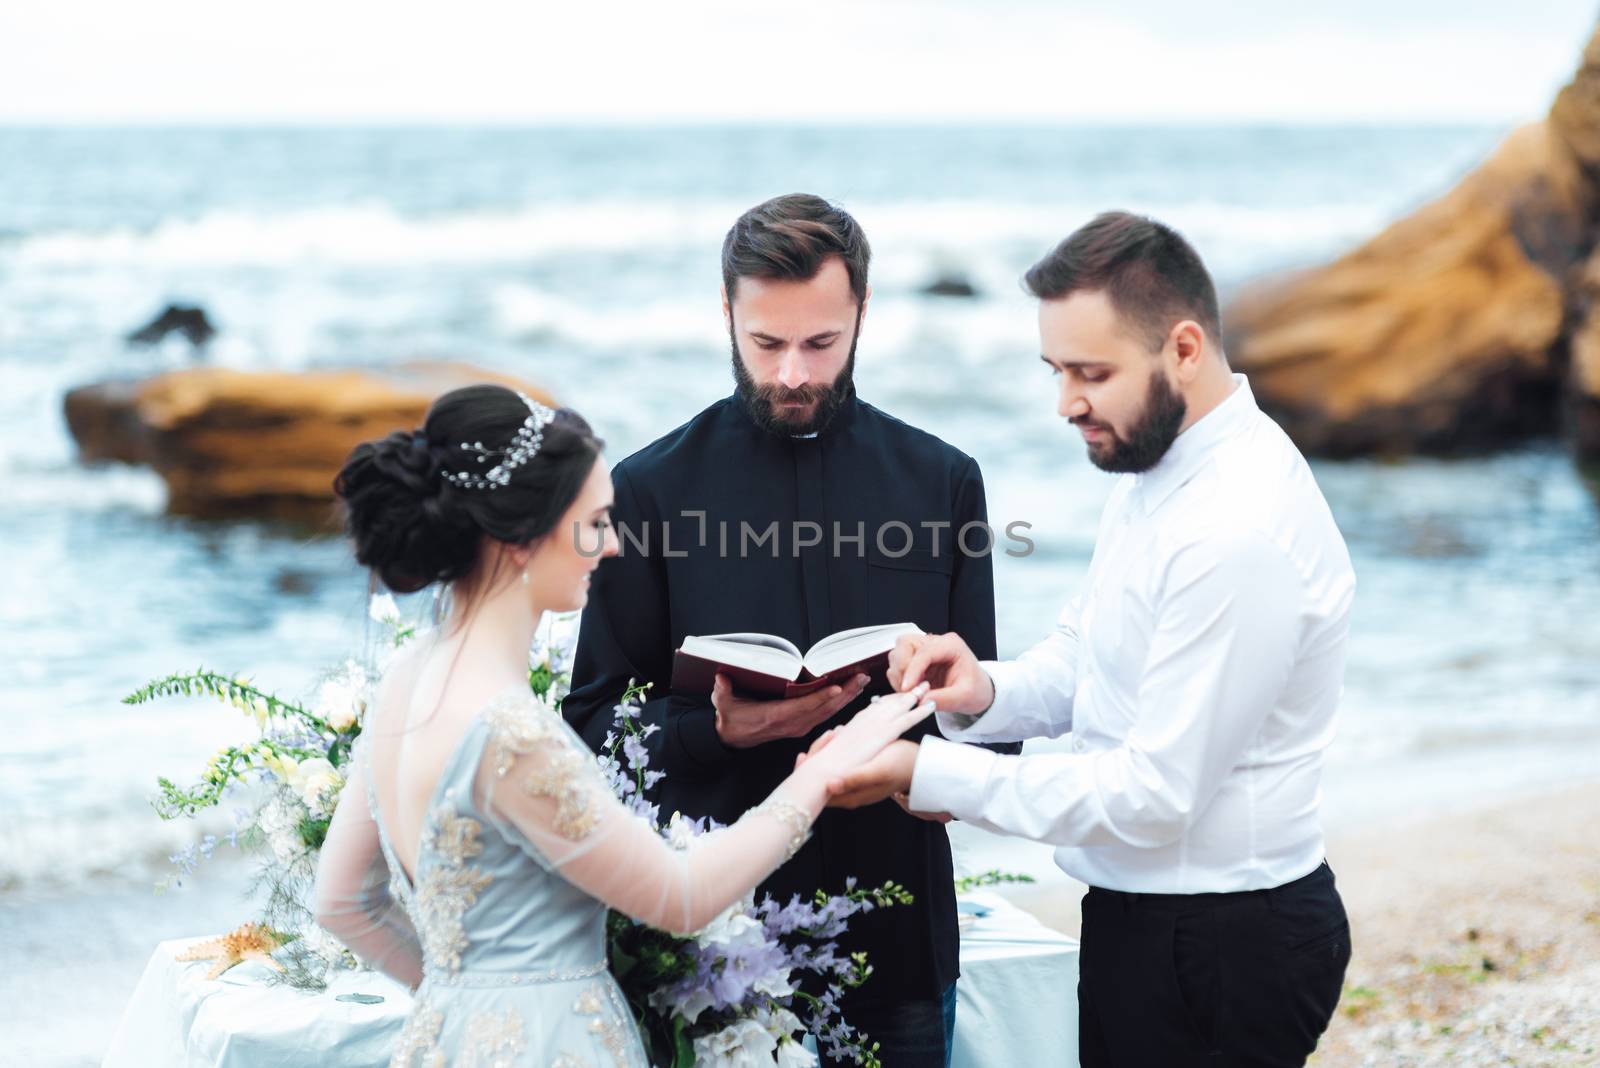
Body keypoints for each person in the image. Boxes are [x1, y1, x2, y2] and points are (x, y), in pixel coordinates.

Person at [811, 212, 1357, 1067]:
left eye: (1091, 373)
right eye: (1056, 369)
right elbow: (1088, 654)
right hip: (1145, 915)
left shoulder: (1236, 527)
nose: (1066, 402)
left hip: (1226, 940)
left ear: (1182, 348)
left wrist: (928, 772)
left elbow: (1154, 793)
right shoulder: (1159, 461)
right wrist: (982, 692)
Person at [311, 383, 936, 1065]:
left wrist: (467, 1001)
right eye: (595, 522)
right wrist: (820, 773)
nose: (611, 548)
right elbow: (682, 895)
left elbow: (344, 904)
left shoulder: (405, 679)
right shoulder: (511, 733)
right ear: (524, 539)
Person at [564, 193, 1007, 1067]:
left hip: (898, 948)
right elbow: (591, 726)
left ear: (863, 315)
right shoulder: (648, 490)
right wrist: (712, 731)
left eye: (821, 343)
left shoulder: (944, 481)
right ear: (727, 315)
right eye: (766, 344)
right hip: (708, 952)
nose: (794, 373)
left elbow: (991, 728)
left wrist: (944, 743)